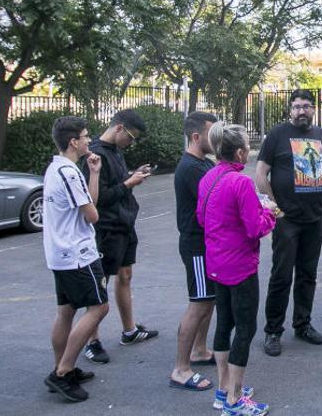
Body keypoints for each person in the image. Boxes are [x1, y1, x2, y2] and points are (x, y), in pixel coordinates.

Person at [199, 122, 278, 416]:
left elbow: (201, 216)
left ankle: (224, 389)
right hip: (240, 266)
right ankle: (233, 399)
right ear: (242, 152)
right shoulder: (241, 182)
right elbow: (255, 228)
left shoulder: (208, 177)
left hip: (217, 262)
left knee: (225, 323)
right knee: (245, 329)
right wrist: (269, 214)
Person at [255, 89, 322, 356]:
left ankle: (302, 325)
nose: (301, 111)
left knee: (308, 275)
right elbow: (260, 172)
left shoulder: (320, 135)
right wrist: (274, 207)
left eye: (306, 106)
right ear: (290, 110)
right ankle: (273, 331)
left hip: (316, 218)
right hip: (287, 219)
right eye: (296, 107)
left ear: (313, 110)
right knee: (281, 276)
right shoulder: (277, 135)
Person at [42, 116, 109, 402]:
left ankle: (63, 366)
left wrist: (94, 173)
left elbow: (87, 204)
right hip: (77, 254)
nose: (88, 140)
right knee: (99, 308)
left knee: (66, 311)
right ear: (73, 142)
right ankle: (62, 371)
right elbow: (92, 214)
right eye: (84, 136)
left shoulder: (59, 168)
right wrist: (90, 207)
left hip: (60, 253)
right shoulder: (67, 172)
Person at [82, 109, 157, 364]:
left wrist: (132, 176)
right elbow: (97, 199)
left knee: (125, 275)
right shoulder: (94, 154)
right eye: (131, 137)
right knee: (98, 283)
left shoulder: (115, 152)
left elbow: (118, 183)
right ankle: (91, 341)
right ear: (119, 128)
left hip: (125, 224)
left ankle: (129, 330)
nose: (131, 143)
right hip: (106, 228)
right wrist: (129, 183)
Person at [170, 112, 219, 394]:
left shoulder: (203, 163)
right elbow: (215, 199)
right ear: (196, 137)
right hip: (196, 245)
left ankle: (199, 351)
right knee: (199, 303)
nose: (216, 139)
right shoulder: (190, 168)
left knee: (208, 300)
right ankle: (180, 368)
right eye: (212, 134)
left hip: (206, 243)